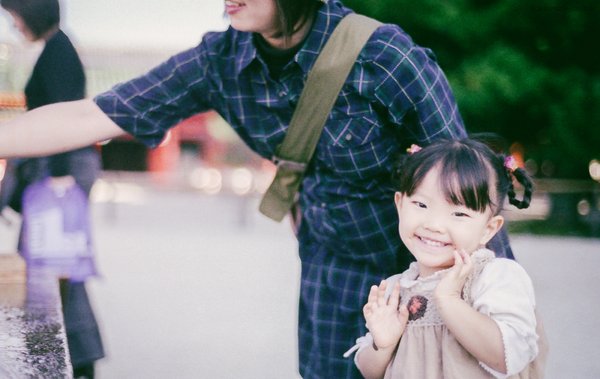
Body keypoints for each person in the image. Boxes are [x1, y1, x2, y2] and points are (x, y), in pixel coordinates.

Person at [0, 1, 514, 377]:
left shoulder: (383, 56)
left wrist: (504, 308)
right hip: (329, 263)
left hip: (426, 269)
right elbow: (96, 115)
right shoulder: (219, 61)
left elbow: (469, 185)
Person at [345, 138, 546, 379]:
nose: (434, 224)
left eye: (459, 213)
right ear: (399, 205)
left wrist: (449, 299)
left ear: (489, 229)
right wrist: (383, 344)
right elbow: (369, 371)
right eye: (421, 204)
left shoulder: (494, 277)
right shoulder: (397, 288)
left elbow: (510, 357)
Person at [0, 0, 104, 378]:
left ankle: (66, 360)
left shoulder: (58, 52)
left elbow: (66, 117)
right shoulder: (58, 48)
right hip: (56, 171)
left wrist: (59, 177)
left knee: (49, 266)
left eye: (14, 17)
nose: (13, 26)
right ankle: (66, 358)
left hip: (57, 174)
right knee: (54, 267)